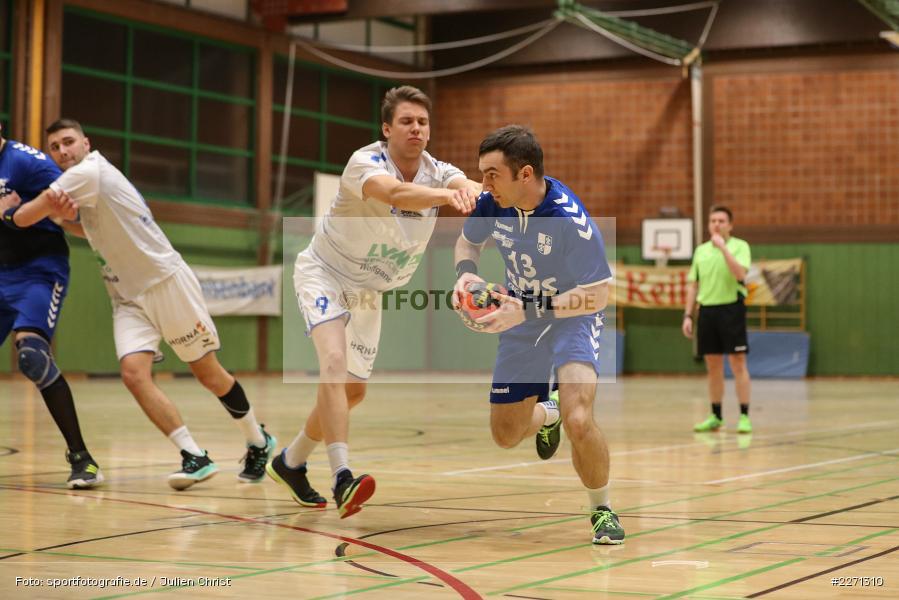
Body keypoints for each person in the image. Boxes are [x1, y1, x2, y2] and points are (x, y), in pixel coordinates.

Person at [10, 118, 275, 490]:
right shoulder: (82, 183)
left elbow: (24, 217)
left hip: (164, 282)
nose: (62, 152)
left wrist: (12, 208)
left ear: (87, 143)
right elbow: (87, 228)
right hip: (126, 294)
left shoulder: (88, 172)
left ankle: (258, 441)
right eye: (54, 147)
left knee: (207, 373)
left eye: (68, 142)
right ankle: (193, 455)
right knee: (134, 375)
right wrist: (58, 214)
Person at [267, 85, 479, 518]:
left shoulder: (439, 171)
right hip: (325, 273)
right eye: (406, 121)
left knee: (353, 391)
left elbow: (466, 184)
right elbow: (397, 195)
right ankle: (342, 476)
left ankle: (290, 462)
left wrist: (481, 191)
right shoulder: (364, 162)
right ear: (387, 129)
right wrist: (450, 198)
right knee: (332, 362)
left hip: (369, 291)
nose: (416, 128)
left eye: (422, 121)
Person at [452, 125, 624, 545]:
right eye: (482, 173)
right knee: (505, 435)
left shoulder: (570, 221)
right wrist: (466, 274)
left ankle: (601, 509)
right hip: (521, 319)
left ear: (524, 174)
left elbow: (599, 294)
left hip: (573, 316)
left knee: (580, 418)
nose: (484, 184)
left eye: (492, 174)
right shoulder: (493, 204)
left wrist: (527, 309)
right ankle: (548, 412)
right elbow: (466, 243)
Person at [0, 124, 103, 489]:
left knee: (32, 357)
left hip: (38, 271)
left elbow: (75, 211)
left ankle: (81, 457)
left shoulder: (27, 162)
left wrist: (32, 210)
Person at [682, 205, 753, 434]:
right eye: (713, 220)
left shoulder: (740, 246)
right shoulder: (701, 251)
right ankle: (716, 415)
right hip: (708, 311)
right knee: (713, 366)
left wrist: (723, 249)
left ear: (730, 225)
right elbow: (694, 285)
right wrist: (688, 315)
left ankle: (744, 415)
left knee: (738, 363)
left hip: (731, 309)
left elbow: (740, 275)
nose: (716, 224)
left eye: (721, 221)